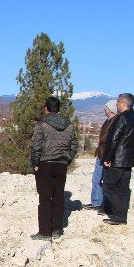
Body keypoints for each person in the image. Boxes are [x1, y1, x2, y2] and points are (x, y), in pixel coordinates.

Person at [29, 96, 78, 240]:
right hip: (61, 164)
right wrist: (67, 159)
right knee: (58, 197)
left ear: (46, 108)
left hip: (45, 164)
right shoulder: (69, 124)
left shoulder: (42, 124)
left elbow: (36, 145)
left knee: (45, 198)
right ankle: (57, 229)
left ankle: (44, 231)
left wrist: (35, 163)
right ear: (59, 108)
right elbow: (74, 145)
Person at [101, 93, 134, 225]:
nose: (116, 104)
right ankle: (122, 215)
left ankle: (117, 213)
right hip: (128, 159)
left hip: (117, 159)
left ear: (123, 103)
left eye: (118, 102)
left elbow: (114, 139)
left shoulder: (121, 118)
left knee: (108, 186)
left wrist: (108, 157)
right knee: (123, 188)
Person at [83, 101, 117, 210]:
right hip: (101, 153)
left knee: (99, 179)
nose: (104, 109)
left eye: (106, 107)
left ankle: (99, 202)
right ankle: (96, 201)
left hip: (105, 154)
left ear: (111, 109)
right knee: (96, 179)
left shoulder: (114, 123)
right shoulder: (108, 121)